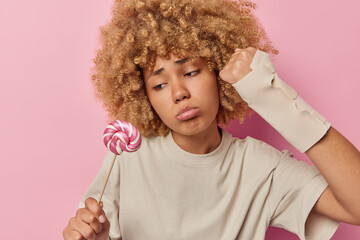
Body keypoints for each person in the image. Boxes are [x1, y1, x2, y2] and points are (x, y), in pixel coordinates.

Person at [63, 0, 360, 239]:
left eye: (190, 72)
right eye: (159, 85)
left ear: (218, 69)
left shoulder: (261, 168)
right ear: (143, 97)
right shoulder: (127, 156)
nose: (179, 93)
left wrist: (273, 96)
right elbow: (88, 231)